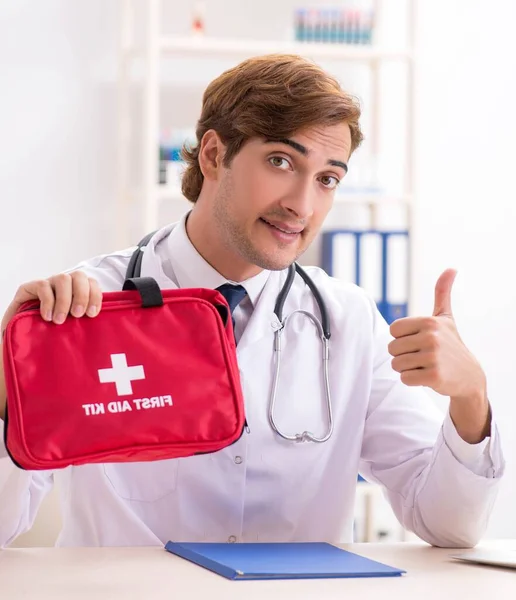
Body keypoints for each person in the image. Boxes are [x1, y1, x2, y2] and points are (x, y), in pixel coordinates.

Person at [0, 54, 504, 549]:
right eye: (281, 162)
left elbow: (448, 526)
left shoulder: (347, 319)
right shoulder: (89, 307)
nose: (302, 206)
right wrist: (9, 382)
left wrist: (470, 398)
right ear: (214, 154)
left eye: (327, 178)